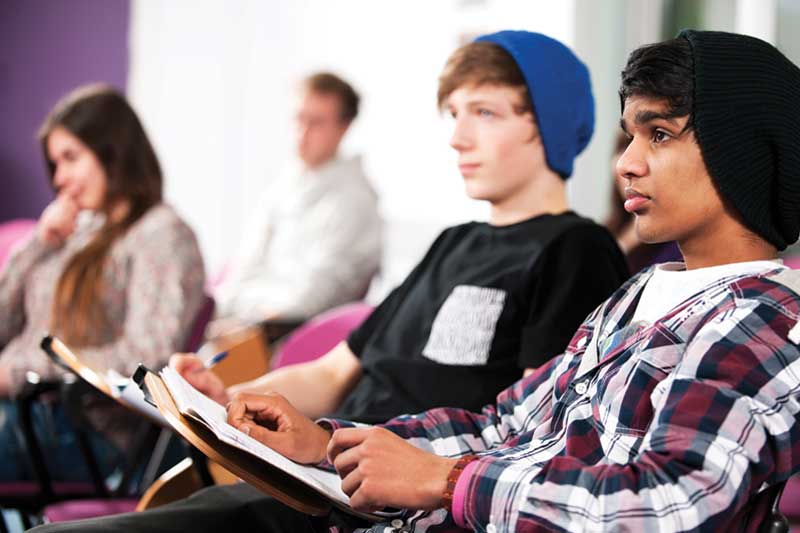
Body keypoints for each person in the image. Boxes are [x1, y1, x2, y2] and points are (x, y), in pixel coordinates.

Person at [204, 30, 799, 532]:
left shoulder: (767, 320)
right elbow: (505, 425)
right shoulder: (638, 295)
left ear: (739, 152)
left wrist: (445, 480)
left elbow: (668, 505)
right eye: (632, 136)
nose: (626, 162)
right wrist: (329, 444)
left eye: (660, 134)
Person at [33, 30, 629, 531]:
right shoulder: (455, 242)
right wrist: (228, 398)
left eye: (486, 113)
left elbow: (532, 431)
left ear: (549, 122)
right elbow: (331, 371)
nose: (457, 137)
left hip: (380, 506)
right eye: (454, 114)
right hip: (313, 478)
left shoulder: (574, 249)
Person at [0, 84, 206, 482]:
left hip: (82, 428)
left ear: (113, 151)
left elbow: (147, 356)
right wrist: (38, 245)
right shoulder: (75, 231)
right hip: (29, 415)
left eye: (70, 158)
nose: (60, 179)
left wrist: (16, 372)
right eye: (54, 164)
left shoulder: (161, 234)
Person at [211, 72, 382, 334]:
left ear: (343, 127)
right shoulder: (284, 185)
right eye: (299, 119)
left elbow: (311, 299)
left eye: (316, 122)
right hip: (245, 317)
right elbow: (247, 263)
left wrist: (243, 319)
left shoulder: (354, 201)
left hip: (291, 335)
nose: (302, 133)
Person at [604, 130, 681, 273]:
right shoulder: (606, 230)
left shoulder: (676, 248)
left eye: (659, 137)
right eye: (624, 148)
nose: (625, 167)